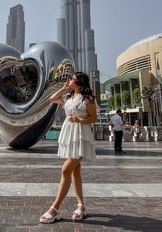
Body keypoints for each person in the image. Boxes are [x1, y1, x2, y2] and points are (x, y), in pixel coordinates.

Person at [40, 72, 98, 224]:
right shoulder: (68, 97)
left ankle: (54, 209)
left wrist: (79, 119)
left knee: (66, 169)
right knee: (75, 171)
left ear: (79, 81)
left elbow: (94, 118)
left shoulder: (88, 99)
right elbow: (51, 99)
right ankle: (81, 206)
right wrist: (64, 89)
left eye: (72, 78)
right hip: (69, 136)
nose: (69, 79)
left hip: (81, 136)